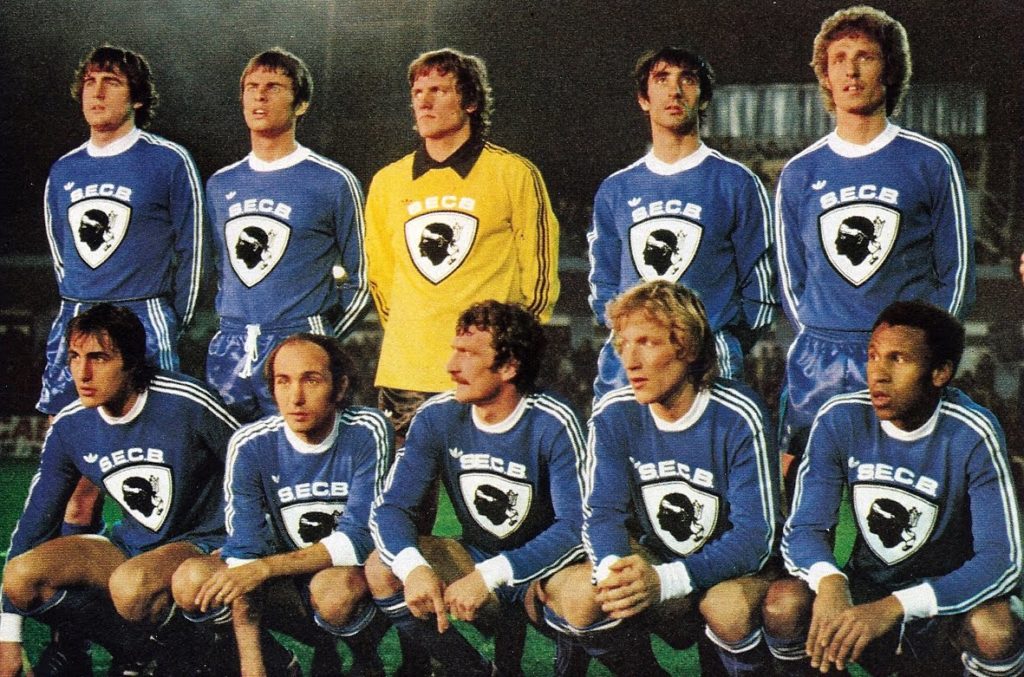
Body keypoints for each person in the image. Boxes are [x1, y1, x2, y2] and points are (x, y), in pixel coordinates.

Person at [763, 300, 1023, 675]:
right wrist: (831, 582)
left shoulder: (971, 432)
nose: (877, 374)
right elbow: (805, 528)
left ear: (940, 372)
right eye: (873, 356)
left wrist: (895, 607)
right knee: (784, 603)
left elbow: (1001, 561)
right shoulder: (841, 417)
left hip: (943, 602)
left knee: (996, 629)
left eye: (898, 359)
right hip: (866, 590)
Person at [774, 5, 975, 480]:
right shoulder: (801, 171)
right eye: (839, 58)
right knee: (804, 488)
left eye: (864, 56)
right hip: (821, 360)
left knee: (899, 487)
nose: (851, 69)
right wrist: (826, 331)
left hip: (903, 357)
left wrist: (925, 346)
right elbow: (790, 277)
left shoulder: (930, 161)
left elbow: (958, 270)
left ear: (890, 68)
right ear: (825, 74)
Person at [541, 280, 781, 676]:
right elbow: (602, 515)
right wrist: (614, 570)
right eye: (623, 345)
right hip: (657, 564)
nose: (630, 361)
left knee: (728, 609)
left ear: (687, 347)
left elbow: (755, 537)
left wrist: (665, 580)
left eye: (647, 343)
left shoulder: (738, 413)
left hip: (730, 572)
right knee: (587, 595)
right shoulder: (614, 413)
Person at [0, 305, 243, 677]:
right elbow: (35, 524)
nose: (82, 373)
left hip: (201, 543)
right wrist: (8, 638)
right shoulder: (71, 425)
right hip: (133, 547)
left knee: (131, 586)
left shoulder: (187, 402)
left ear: (131, 362)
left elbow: (252, 464)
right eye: (75, 357)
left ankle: (202, 647)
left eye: (98, 358)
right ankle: (142, 651)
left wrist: (241, 545)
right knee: (21, 576)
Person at [365, 301, 588, 677]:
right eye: (455, 350)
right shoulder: (436, 416)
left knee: (584, 593)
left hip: (546, 570)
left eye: (467, 354)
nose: (451, 366)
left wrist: (491, 575)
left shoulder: (553, 420)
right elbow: (391, 508)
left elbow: (576, 526)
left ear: (509, 367)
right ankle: (472, 670)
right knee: (382, 567)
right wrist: (414, 568)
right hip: (475, 557)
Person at [364, 47, 560, 442]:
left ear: (470, 102)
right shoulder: (387, 182)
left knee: (482, 479)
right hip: (406, 373)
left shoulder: (514, 173)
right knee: (408, 482)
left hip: (487, 374)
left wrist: (509, 353)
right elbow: (380, 277)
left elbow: (539, 280)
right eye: (418, 93)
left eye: (438, 90)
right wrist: (413, 333)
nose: (424, 101)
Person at [171, 334, 393, 676]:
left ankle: (363, 659)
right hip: (286, 587)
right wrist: (252, 666)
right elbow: (245, 554)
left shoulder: (367, 429)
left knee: (334, 592)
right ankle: (277, 663)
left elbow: (360, 539)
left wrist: (265, 567)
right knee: (192, 579)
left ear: (340, 387)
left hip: (348, 581)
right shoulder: (250, 444)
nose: (296, 397)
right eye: (283, 381)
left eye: (311, 380)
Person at [587, 46, 775, 399]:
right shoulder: (616, 189)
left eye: (687, 80)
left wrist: (723, 343)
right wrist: (631, 340)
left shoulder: (736, 182)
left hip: (709, 370)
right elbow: (604, 285)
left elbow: (761, 288)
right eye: (662, 79)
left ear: (703, 97)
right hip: (626, 374)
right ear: (643, 99)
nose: (674, 90)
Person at [38, 45, 205, 418]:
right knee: (63, 433)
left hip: (143, 315)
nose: (96, 92)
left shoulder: (168, 160)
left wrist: (170, 320)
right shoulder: (64, 169)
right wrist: (82, 300)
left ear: (138, 98)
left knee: (151, 431)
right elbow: (62, 256)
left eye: (111, 82)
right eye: (89, 81)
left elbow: (194, 252)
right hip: (77, 316)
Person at [206, 47, 368, 422]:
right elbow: (220, 270)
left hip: (297, 344)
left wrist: (320, 340)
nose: (260, 96)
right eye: (252, 87)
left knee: (300, 453)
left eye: (274, 87)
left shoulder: (333, 181)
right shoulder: (220, 183)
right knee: (228, 453)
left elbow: (361, 279)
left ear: (301, 104)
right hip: (230, 347)